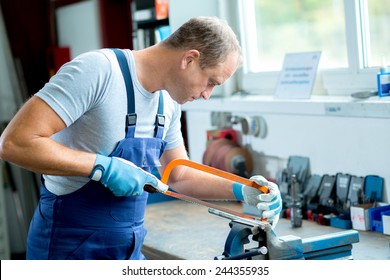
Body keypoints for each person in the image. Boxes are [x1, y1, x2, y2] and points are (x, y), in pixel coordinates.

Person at [0, 16, 282, 260]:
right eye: (211, 81)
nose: (207, 93)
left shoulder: (168, 103)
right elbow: (15, 143)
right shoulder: (98, 71)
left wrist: (242, 189)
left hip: (127, 248)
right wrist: (102, 167)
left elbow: (179, 175)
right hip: (68, 247)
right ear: (190, 59)